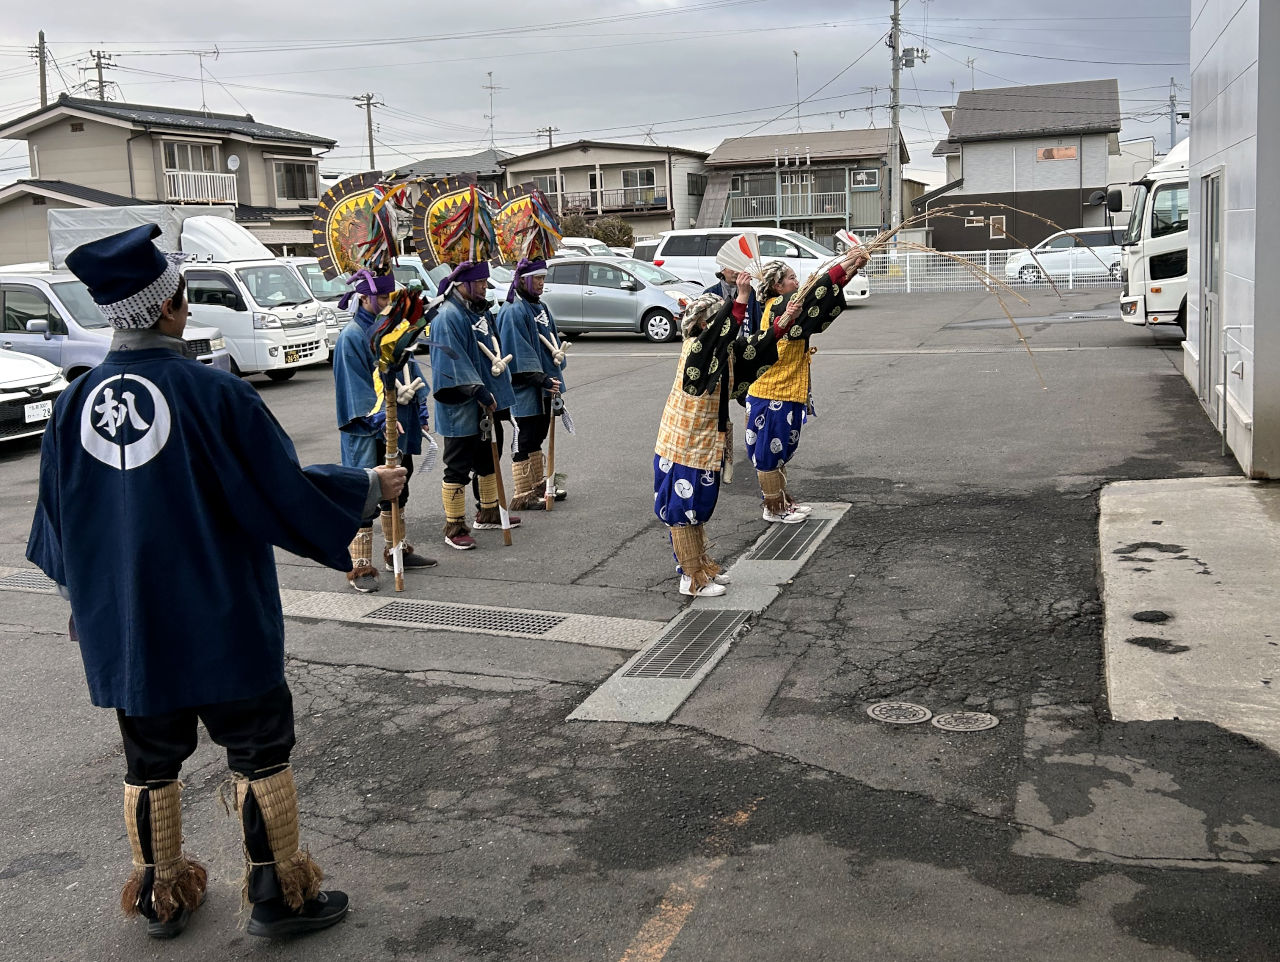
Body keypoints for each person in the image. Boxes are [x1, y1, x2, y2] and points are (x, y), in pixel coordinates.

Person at [25, 224, 407, 940]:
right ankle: (278, 897)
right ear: (170, 304)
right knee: (259, 749)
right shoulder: (214, 394)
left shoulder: (73, 407)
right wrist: (366, 485)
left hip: (130, 624)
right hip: (220, 611)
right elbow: (276, 491)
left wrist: (85, 602)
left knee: (149, 759)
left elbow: (57, 523)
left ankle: (159, 898)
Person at [653, 272, 779, 596]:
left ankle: (700, 568)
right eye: (719, 320)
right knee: (684, 510)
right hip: (685, 443)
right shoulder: (698, 347)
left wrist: (780, 326)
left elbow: (750, 348)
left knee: (696, 507)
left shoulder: (716, 351)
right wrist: (740, 298)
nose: (727, 331)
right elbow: (722, 336)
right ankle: (690, 578)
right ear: (707, 324)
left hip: (701, 441)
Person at [745, 248, 870, 523]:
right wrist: (847, 262)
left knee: (779, 451)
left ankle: (782, 500)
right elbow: (817, 291)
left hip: (785, 389)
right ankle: (773, 507)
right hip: (771, 392)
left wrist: (852, 269)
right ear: (778, 286)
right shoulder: (779, 306)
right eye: (791, 278)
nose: (796, 282)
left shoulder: (787, 306)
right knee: (769, 453)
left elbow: (821, 300)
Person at [334, 269, 437, 591]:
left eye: (390, 297)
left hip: (398, 423)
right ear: (362, 296)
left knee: (397, 486)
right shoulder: (351, 336)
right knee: (365, 492)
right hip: (367, 427)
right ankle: (360, 566)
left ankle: (397, 550)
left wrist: (418, 404)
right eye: (380, 297)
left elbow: (410, 366)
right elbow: (356, 389)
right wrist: (382, 415)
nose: (385, 303)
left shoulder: (395, 327)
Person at [429, 261, 521, 549]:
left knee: (487, 456)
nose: (485, 286)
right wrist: (477, 390)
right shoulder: (448, 317)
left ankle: (489, 510)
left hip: (485, 401)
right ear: (462, 284)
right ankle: (454, 527)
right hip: (461, 405)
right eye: (480, 282)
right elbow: (450, 363)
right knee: (457, 465)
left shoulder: (476, 311)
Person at [495, 257, 565, 511]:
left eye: (543, 278)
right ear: (523, 279)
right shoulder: (514, 310)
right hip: (524, 389)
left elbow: (552, 343)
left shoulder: (541, 308)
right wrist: (541, 379)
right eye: (537, 278)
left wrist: (555, 363)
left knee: (538, 434)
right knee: (523, 439)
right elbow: (516, 353)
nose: (541, 284)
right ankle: (523, 493)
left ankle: (539, 486)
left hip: (543, 386)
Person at [703, 267, 762, 337]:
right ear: (722, 270)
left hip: (743, 341)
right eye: (731, 267)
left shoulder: (750, 291)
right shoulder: (711, 292)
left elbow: (757, 319)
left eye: (739, 268)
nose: (736, 272)